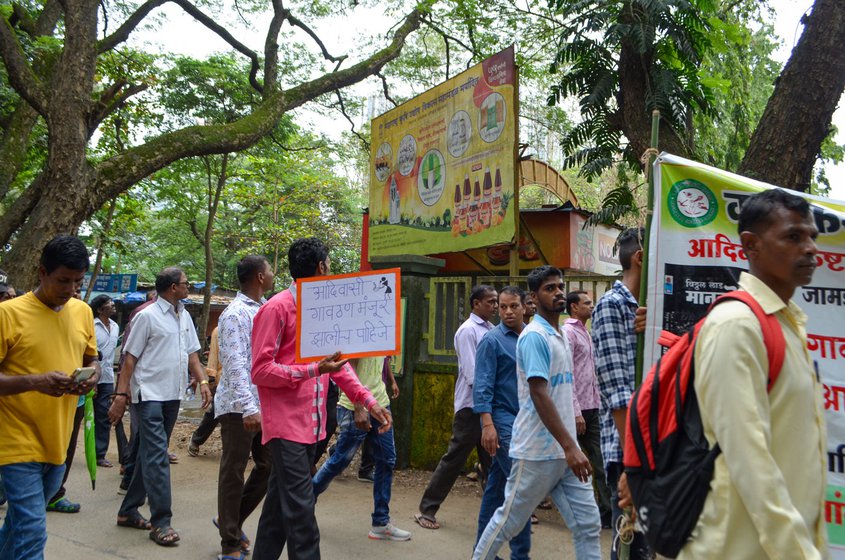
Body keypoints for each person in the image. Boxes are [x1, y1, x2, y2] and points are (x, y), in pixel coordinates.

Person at [649, 188, 824, 558]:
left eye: (811, 236)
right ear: (751, 245)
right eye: (793, 236)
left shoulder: (787, 325)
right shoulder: (737, 325)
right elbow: (749, 458)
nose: (809, 248)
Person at [250, 237, 392, 560]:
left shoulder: (322, 311)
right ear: (322, 267)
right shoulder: (277, 308)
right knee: (302, 520)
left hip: (312, 429)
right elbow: (260, 371)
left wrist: (369, 402)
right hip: (286, 429)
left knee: (276, 515)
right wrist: (313, 369)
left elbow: (338, 368)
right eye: (329, 264)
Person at [473, 266, 601, 560]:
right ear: (533, 297)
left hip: (565, 454)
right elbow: (538, 392)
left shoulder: (561, 335)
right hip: (536, 453)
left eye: (559, 286)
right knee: (508, 521)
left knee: (588, 524)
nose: (557, 292)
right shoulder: (534, 337)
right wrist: (571, 446)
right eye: (549, 288)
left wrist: (571, 444)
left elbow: (564, 390)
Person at [0, 235, 100, 559]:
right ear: (42, 273)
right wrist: (34, 381)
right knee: (32, 533)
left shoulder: (83, 312)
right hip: (15, 440)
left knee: (17, 526)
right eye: (62, 280)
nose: (70, 289)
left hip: (58, 440)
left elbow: (91, 359)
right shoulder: (8, 314)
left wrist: (93, 375)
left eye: (77, 282)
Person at [108, 267, 212, 547]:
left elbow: (192, 355)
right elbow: (129, 359)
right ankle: (161, 521)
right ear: (171, 288)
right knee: (157, 456)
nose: (188, 286)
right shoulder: (147, 316)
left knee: (147, 453)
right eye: (184, 283)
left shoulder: (185, 316)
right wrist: (121, 394)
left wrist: (203, 381)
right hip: (149, 395)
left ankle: (128, 511)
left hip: (173, 395)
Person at [415, 284, 497, 530]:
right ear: (476, 304)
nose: (494, 306)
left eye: (496, 302)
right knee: (454, 459)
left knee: (495, 459)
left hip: (489, 407)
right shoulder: (467, 331)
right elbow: (473, 374)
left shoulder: (492, 330)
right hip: (471, 407)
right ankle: (427, 509)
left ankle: (501, 511)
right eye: (491, 302)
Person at [592, 227, 649, 560]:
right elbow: (618, 393)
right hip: (629, 451)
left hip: (653, 449)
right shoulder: (612, 306)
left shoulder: (649, 309)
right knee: (630, 546)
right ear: (641, 258)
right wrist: (634, 464)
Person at [214, 256, 274, 560]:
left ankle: (230, 521)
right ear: (260, 277)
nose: (273, 274)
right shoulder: (234, 314)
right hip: (239, 406)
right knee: (233, 471)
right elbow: (235, 362)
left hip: (261, 405)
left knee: (268, 466)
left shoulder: (263, 309)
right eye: (270, 270)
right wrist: (249, 406)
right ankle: (230, 543)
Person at [312, 356, 410, 541]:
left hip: (380, 403)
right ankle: (304, 503)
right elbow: (349, 367)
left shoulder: (385, 331)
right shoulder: (360, 331)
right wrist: (359, 406)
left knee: (387, 459)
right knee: (339, 461)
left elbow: (384, 363)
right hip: (354, 406)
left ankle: (381, 523)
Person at [472, 286, 531, 559]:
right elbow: (482, 385)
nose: (507, 311)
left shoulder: (531, 337)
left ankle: (482, 551)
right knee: (521, 488)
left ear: (524, 307)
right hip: (503, 422)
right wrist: (487, 425)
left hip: (526, 422)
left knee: (497, 489)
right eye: (503, 306)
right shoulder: (491, 340)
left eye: (513, 306)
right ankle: (520, 554)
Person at [563, 290, 611, 528]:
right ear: (574, 307)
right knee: (566, 462)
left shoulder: (586, 333)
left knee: (600, 460)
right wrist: (576, 410)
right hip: (577, 410)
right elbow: (567, 373)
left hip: (593, 407)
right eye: (587, 303)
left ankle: (606, 512)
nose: (592, 306)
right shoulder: (569, 332)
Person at [90, 295, 122, 468]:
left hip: (108, 377)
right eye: (108, 303)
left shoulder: (116, 326)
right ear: (100, 309)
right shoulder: (92, 326)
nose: (112, 304)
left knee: (104, 415)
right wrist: (92, 380)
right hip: (92, 377)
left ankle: (99, 454)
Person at [188, 326, 221, 457]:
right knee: (214, 413)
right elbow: (214, 355)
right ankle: (197, 439)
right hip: (222, 379)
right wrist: (211, 378)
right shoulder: (219, 330)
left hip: (246, 380)